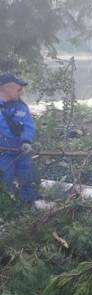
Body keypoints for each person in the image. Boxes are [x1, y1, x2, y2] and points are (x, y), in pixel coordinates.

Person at [0, 73, 38, 203]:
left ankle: (27, 208)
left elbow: (28, 125)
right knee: (5, 182)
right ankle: (7, 212)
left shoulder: (21, 106)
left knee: (27, 180)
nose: (22, 92)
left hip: (22, 152)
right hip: (3, 154)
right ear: (7, 87)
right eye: (19, 88)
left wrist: (26, 141)